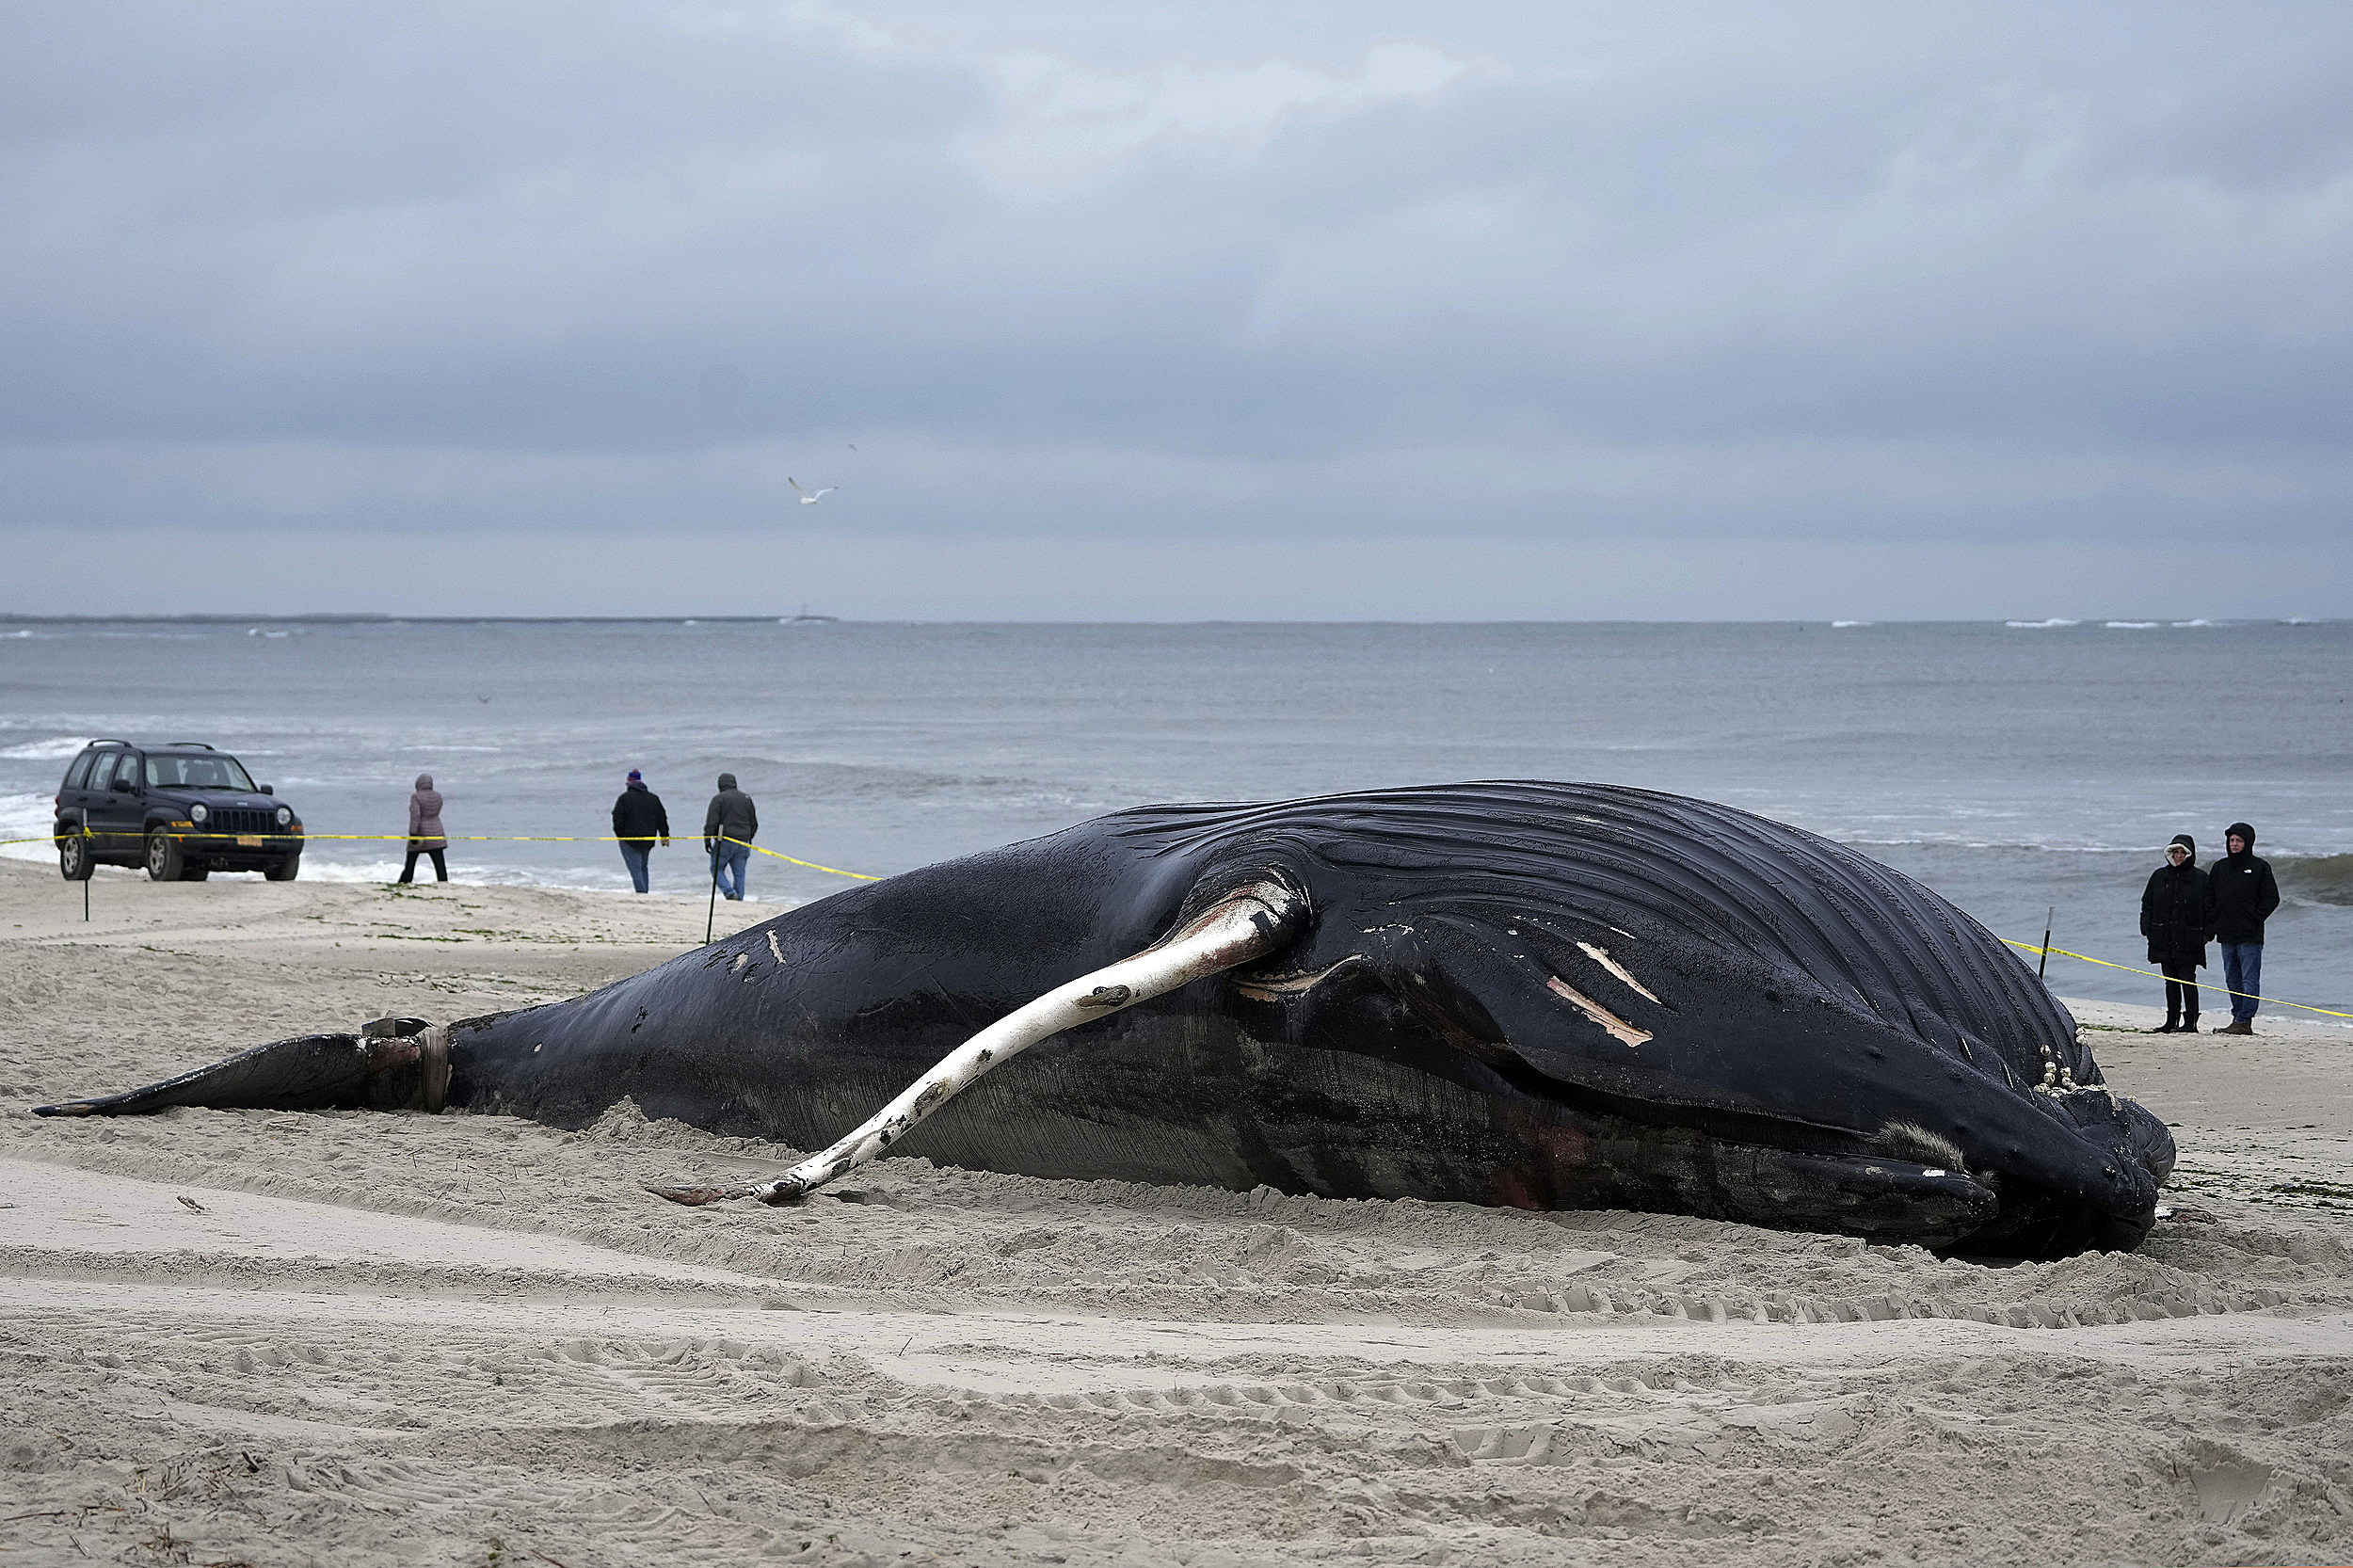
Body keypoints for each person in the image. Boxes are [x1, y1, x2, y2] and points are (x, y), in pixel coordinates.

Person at [2207, 821, 2281, 1036]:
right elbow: (2209, 897)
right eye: (2231, 840)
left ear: (2248, 842)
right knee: (2232, 978)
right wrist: (2213, 922)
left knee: (2249, 978)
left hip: (2250, 935)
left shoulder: (2260, 867)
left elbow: (2271, 898)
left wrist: (2255, 917)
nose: (2234, 844)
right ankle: (2237, 1017)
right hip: (2227, 934)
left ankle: (2244, 1019)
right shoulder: (2219, 867)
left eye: (2239, 840)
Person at [2138, 834, 2210, 1032]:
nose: (2179, 856)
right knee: (2170, 980)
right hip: (2163, 938)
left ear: (2190, 854)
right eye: (2175, 852)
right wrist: (2147, 928)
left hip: (2190, 940)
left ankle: (2190, 1023)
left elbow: (2210, 910)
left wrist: (2206, 936)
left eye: (2183, 852)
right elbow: (2147, 903)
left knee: (2188, 980)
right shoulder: (2159, 876)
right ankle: (2171, 1021)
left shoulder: (2201, 878)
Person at [611, 769, 670, 893]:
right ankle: (645, 892)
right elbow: (662, 818)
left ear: (629, 782)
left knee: (635, 869)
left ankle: (642, 893)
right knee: (643, 867)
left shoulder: (624, 799)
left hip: (629, 840)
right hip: (648, 839)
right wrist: (664, 836)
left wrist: (621, 836)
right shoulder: (653, 798)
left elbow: (617, 819)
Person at [703, 772, 758, 901]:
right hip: (744, 841)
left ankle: (729, 892)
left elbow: (712, 822)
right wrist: (749, 837)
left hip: (725, 840)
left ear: (720, 785)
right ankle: (739, 898)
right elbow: (754, 823)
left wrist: (707, 840)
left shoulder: (719, 799)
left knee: (716, 868)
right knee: (740, 873)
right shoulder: (746, 798)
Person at [398, 773, 448, 883]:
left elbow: (415, 816)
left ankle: (404, 883)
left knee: (410, 863)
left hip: (421, 833)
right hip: (437, 832)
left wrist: (413, 833)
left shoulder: (416, 796)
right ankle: (444, 883)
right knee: (439, 864)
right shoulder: (438, 796)